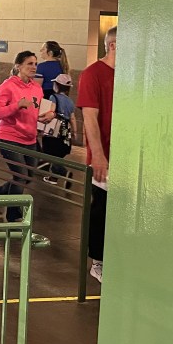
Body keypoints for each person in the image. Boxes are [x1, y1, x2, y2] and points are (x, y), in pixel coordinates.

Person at [0, 51, 54, 223]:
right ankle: (14, 215)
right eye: (29, 64)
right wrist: (16, 106)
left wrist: (49, 115)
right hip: (9, 136)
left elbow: (37, 111)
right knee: (21, 176)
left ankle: (1, 191)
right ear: (18, 66)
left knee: (28, 175)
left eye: (35, 64)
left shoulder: (37, 88)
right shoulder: (8, 86)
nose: (34, 67)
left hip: (30, 138)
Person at [77, 25, 116, 284]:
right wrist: (98, 156)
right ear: (113, 45)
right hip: (104, 157)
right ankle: (98, 261)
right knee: (101, 208)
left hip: (126, 156)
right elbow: (90, 117)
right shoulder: (93, 74)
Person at [42, 73, 77, 186]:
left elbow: (51, 112)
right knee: (58, 153)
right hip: (66, 129)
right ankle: (53, 178)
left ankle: (64, 172)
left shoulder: (54, 97)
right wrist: (75, 132)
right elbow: (72, 118)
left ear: (56, 85)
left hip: (55, 128)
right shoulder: (70, 101)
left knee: (50, 152)